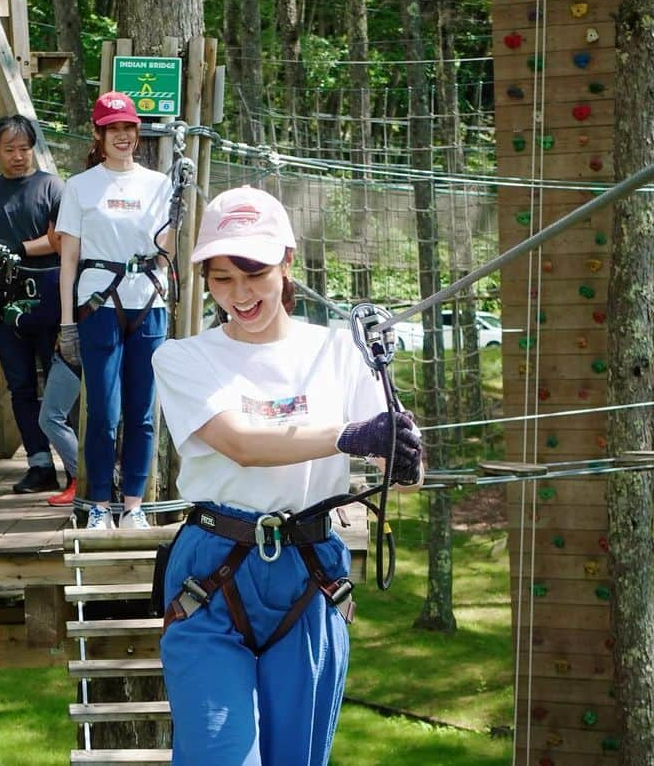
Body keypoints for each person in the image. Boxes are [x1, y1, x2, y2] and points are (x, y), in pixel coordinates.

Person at [150, 186, 424, 765]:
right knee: (217, 755)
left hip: (308, 571)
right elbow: (241, 445)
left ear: (288, 263)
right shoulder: (182, 359)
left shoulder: (341, 353)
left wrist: (402, 451)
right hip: (213, 572)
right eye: (222, 278)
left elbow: (400, 469)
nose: (239, 294)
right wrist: (351, 435)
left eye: (254, 273)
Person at [56, 91, 174, 530]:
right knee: (104, 411)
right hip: (97, 304)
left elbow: (164, 256)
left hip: (147, 301)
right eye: (114, 129)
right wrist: (67, 322)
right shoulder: (80, 186)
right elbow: (68, 259)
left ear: (137, 133)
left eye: (128, 128)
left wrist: (175, 217)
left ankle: (134, 505)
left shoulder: (158, 185)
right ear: (99, 134)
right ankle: (100, 505)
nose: (123, 136)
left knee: (143, 412)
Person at [0, 114, 65, 494]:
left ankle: (74, 462)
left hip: (51, 297)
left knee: (61, 384)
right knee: (20, 386)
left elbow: (61, 240)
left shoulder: (53, 187)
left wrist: (16, 250)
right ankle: (39, 464)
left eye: (24, 148)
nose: (18, 156)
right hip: (4, 303)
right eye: (10, 150)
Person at [41, 350, 81, 506]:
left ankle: (83, 480)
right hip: (71, 351)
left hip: (73, 352)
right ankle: (84, 480)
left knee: (51, 417)